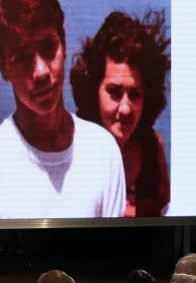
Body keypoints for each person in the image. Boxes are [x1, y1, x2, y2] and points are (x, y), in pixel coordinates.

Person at [0, 0, 125, 219]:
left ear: (64, 42)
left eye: (48, 48)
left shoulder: (104, 153)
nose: (40, 72)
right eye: (22, 57)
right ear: (2, 65)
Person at [70, 10, 171, 217]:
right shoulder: (71, 146)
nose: (126, 109)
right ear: (93, 89)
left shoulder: (152, 146)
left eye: (135, 94)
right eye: (114, 92)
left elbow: (167, 216)